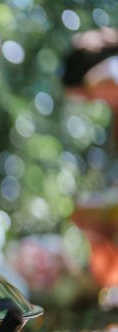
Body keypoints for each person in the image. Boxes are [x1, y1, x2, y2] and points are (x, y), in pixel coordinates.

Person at [61, 27, 118, 308]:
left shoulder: (107, 73)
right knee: (88, 215)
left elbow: (109, 74)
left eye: (91, 95)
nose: (98, 100)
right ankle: (110, 288)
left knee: (90, 213)